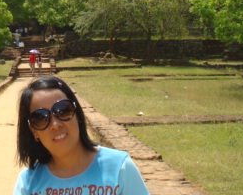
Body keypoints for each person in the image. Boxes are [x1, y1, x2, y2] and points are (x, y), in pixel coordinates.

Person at [14, 75, 149, 195]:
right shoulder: (28, 182)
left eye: (63, 110)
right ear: (34, 131)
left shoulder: (119, 168)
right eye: (41, 118)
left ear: (77, 114)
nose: (55, 124)